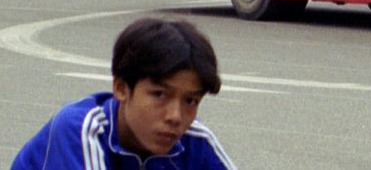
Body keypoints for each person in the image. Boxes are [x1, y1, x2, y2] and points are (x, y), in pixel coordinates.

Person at [12, 17, 235, 169]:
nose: (175, 116)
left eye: (190, 100)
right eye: (159, 94)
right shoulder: (82, 130)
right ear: (120, 88)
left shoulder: (194, 139)